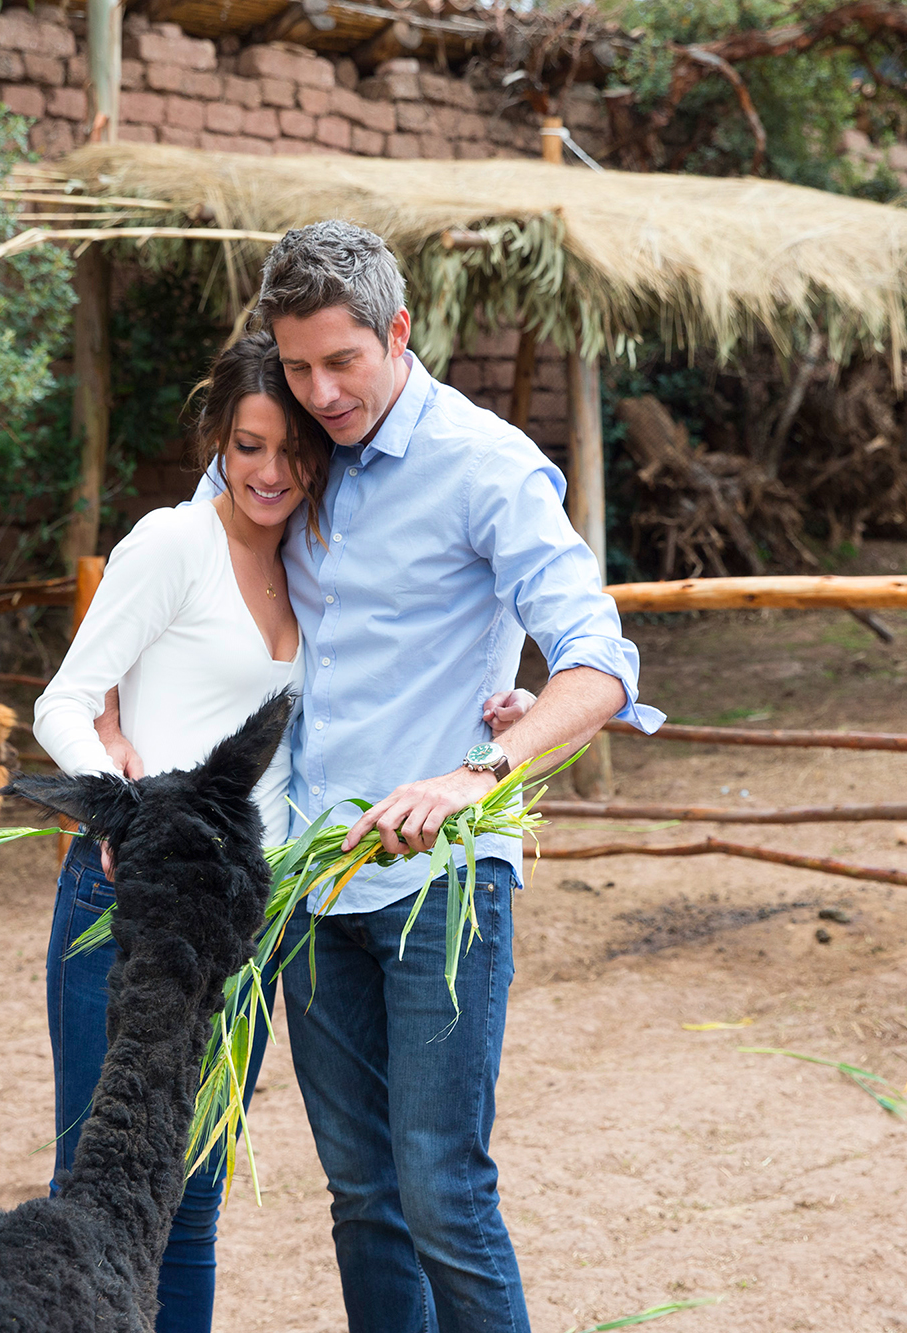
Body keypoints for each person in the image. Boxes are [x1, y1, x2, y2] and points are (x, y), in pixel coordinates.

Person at [187, 220, 665, 1333]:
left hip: (443, 878)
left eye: (341, 361)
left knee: (441, 1191)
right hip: (314, 882)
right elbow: (201, 583)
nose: (319, 390)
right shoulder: (285, 454)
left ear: (398, 332)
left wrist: (476, 769)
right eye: (296, 365)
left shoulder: (483, 465)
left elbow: (598, 666)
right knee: (362, 1201)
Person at [30, 332, 318, 1332]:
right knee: (97, 1195)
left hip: (239, 925)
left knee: (186, 1201)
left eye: (290, 450)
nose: (269, 472)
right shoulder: (174, 542)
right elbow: (64, 703)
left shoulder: (318, 564)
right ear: (216, 443)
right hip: (129, 902)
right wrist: (129, 806)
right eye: (247, 446)